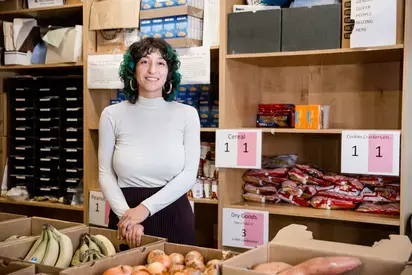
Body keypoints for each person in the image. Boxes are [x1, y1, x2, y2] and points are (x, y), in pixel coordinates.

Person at [98, 37, 200, 247]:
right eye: (144, 61)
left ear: (169, 72)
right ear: (132, 70)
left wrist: (143, 210)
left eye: (161, 63)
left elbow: (189, 175)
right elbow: (105, 173)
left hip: (174, 214)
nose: (152, 70)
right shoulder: (111, 114)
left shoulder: (187, 114)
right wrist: (127, 217)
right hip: (124, 214)